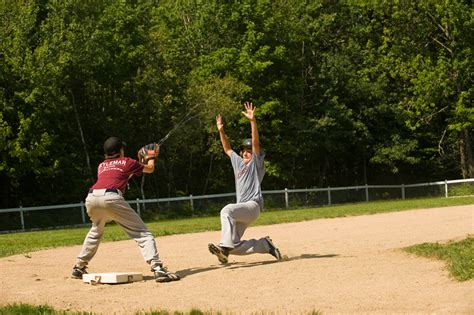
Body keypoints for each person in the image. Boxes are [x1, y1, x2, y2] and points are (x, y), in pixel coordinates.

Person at [71, 137, 180, 283]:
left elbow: (120, 174)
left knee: (96, 231)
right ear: (120, 150)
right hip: (111, 197)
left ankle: (78, 267)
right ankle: (158, 269)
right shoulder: (128, 161)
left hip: (91, 198)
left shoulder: (101, 166)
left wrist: (140, 161)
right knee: (142, 233)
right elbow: (150, 169)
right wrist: (151, 157)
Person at [208, 102, 283, 264]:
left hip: (252, 206)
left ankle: (224, 248)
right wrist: (221, 131)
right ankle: (264, 245)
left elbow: (256, 144)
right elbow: (227, 149)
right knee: (234, 244)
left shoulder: (255, 164)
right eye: (244, 150)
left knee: (226, 210)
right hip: (242, 210)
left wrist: (252, 121)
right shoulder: (238, 162)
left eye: (249, 151)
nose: (246, 152)